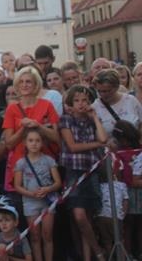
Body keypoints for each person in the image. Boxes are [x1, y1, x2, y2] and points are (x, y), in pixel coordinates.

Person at [58, 85, 107, 261]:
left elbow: (103, 138)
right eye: (77, 100)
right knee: (79, 216)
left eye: (84, 100)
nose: (81, 104)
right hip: (74, 170)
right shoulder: (66, 119)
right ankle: (98, 251)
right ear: (71, 104)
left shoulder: (92, 119)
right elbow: (73, 146)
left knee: (88, 217)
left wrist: (94, 117)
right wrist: (97, 145)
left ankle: (88, 257)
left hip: (91, 170)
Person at [1, 67, 59, 194]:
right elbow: (9, 144)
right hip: (20, 166)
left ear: (36, 84)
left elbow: (57, 138)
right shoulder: (12, 109)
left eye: (28, 81)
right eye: (21, 82)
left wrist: (38, 126)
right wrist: (24, 128)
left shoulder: (47, 105)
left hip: (44, 164)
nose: (24, 85)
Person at [12, 128, 60, 261]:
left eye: (38, 141)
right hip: (30, 203)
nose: (34, 144)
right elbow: (17, 186)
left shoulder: (49, 160)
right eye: (31, 140)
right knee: (34, 236)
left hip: (47, 203)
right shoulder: (21, 163)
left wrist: (48, 189)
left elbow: (58, 183)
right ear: (25, 142)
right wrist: (31, 194)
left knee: (47, 235)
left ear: (42, 143)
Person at [92, 68, 142, 133]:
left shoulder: (131, 101)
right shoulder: (95, 107)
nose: (103, 94)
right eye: (99, 91)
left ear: (117, 87)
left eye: (107, 91)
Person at [0, 197, 31, 261]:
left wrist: (9, 257)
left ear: (16, 222)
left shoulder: (21, 238)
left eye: (7, 220)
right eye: (0, 220)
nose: (3, 223)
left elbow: (29, 259)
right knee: (1, 247)